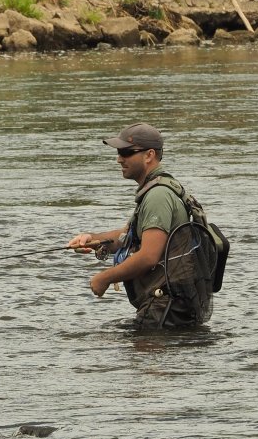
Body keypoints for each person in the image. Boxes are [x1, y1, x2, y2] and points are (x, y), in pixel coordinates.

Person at [67, 124, 218, 329]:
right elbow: (127, 236)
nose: (119, 159)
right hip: (170, 305)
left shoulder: (158, 196)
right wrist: (92, 239)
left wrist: (105, 278)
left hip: (167, 307)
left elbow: (148, 256)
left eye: (126, 152)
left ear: (149, 155)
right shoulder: (157, 189)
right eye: (118, 152)